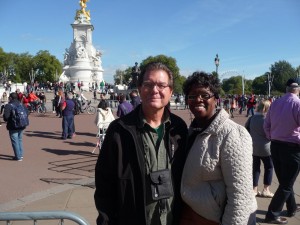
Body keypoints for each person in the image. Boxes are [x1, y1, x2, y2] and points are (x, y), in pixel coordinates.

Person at [94, 62, 188, 225]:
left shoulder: (179, 128)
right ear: (139, 88)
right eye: (148, 84)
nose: (154, 90)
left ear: (170, 91)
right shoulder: (118, 130)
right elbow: (104, 187)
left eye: (161, 85)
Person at [180, 71, 257, 225]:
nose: (198, 100)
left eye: (204, 95)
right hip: (189, 214)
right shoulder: (192, 131)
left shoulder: (232, 133)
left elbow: (241, 196)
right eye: (192, 96)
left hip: (212, 219)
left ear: (216, 98)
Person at [263, 78, 300, 224]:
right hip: (292, 147)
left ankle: (291, 208)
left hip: (275, 145)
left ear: (286, 89)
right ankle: (272, 213)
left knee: (285, 181)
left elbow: (266, 125)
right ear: (297, 89)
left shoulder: (275, 103)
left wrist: (272, 136)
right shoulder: (297, 103)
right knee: (286, 183)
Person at [245, 100, 274, 198]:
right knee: (269, 167)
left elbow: (246, 130)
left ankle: (254, 188)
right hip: (266, 147)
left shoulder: (252, 118)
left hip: (254, 147)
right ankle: (266, 189)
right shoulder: (268, 119)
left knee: (255, 168)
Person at [3, 92, 29, 161]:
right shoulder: (21, 104)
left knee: (15, 141)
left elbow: (6, 117)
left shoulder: (8, 105)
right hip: (21, 124)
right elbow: (27, 113)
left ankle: (18, 157)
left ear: (10, 98)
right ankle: (21, 155)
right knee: (20, 140)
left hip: (13, 125)